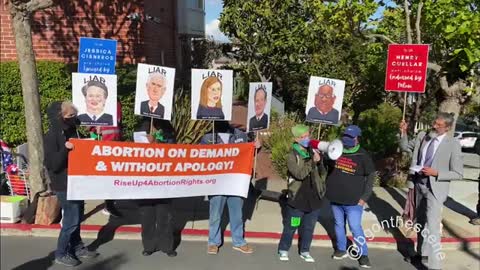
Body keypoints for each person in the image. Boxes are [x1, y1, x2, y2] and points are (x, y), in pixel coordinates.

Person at [399, 112, 463, 270]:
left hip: (435, 189)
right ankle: (421, 255)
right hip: (419, 185)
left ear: (447, 128)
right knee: (420, 224)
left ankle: (435, 266)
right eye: (434, 122)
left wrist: (436, 173)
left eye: (438, 125)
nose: (434, 126)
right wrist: (403, 132)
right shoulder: (423, 136)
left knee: (433, 228)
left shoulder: (453, 144)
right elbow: (404, 147)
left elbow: (458, 173)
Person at [44, 101, 98, 267]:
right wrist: (66, 149)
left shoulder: (72, 130)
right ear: (59, 117)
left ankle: (77, 246)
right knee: (71, 220)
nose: (73, 118)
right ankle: (61, 253)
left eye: (74, 115)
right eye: (69, 116)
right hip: (64, 184)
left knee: (78, 216)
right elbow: (52, 164)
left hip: (78, 181)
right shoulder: (52, 136)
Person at [201, 121, 260, 255]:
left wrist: (256, 147)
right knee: (215, 215)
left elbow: (248, 154)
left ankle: (238, 241)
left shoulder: (240, 135)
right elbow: (201, 157)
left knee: (237, 215)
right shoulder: (208, 137)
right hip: (217, 183)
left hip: (235, 183)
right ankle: (213, 242)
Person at [325, 125, 374, 269]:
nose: (346, 139)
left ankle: (363, 255)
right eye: (345, 136)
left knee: (355, 227)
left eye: (350, 137)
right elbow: (326, 167)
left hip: (354, 201)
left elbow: (370, 177)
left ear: (357, 138)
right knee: (339, 225)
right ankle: (341, 249)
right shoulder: (336, 150)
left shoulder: (363, 155)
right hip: (335, 198)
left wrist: (364, 197)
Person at [277, 124, 327, 263]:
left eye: (307, 135)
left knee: (309, 227)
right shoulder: (292, 155)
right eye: (303, 137)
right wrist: (312, 161)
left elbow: (322, 173)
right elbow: (299, 174)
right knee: (292, 226)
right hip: (298, 200)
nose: (307, 139)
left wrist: (320, 160)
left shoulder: (312, 151)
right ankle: (283, 249)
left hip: (314, 198)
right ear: (296, 139)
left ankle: (305, 250)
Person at [135, 117, 177, 257]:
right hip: (145, 181)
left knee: (164, 215)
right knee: (147, 216)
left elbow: (172, 152)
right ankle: (149, 246)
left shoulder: (168, 129)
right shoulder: (140, 127)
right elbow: (134, 152)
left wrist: (156, 142)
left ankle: (167, 246)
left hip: (163, 181)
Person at [89, 101, 123, 218]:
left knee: (113, 176)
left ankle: (110, 204)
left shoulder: (117, 103)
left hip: (115, 146)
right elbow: (89, 123)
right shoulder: (97, 100)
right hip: (103, 146)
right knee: (107, 177)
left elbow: (119, 123)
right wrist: (94, 129)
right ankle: (109, 205)